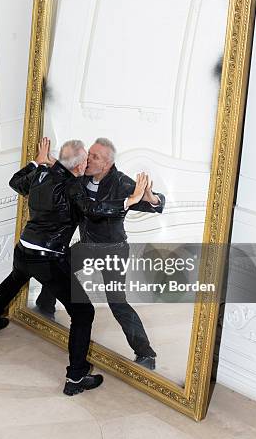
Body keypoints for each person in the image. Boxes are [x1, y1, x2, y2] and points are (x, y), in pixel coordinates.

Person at [0, 138, 147, 395]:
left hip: (24, 249)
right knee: (83, 313)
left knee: (14, 279)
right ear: (78, 167)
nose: (88, 163)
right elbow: (94, 209)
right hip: (47, 258)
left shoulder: (41, 174)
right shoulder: (73, 187)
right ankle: (76, 378)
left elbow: (15, 182)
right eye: (85, 160)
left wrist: (40, 160)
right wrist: (129, 201)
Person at [38, 137, 166, 370]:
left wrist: (151, 197)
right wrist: (51, 161)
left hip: (113, 251)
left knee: (116, 302)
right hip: (87, 245)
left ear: (107, 163)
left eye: (94, 157)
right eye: (89, 155)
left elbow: (154, 203)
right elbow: (68, 170)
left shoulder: (122, 183)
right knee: (58, 266)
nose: (88, 159)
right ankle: (44, 306)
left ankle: (145, 353)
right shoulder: (83, 175)